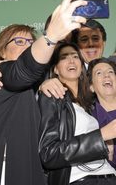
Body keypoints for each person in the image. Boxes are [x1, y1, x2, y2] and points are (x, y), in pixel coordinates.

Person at [0, 0, 88, 185]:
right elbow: (22, 70)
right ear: (2, 51)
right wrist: (51, 37)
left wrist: (41, 86)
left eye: (31, 42)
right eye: (19, 42)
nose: (27, 46)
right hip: (0, 172)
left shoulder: (38, 88)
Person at [38, 42, 116, 185]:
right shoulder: (51, 97)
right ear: (55, 68)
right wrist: (101, 136)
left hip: (109, 176)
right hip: (82, 180)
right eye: (64, 57)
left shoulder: (91, 104)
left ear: (82, 67)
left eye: (75, 56)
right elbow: (48, 153)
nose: (71, 60)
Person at [39, 19, 107, 99]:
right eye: (84, 40)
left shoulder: (113, 67)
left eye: (95, 39)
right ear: (76, 45)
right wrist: (43, 86)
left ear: (104, 43)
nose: (90, 44)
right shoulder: (66, 72)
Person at [87, 57, 116, 168]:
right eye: (99, 73)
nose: (106, 75)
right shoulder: (89, 120)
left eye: (110, 72)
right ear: (92, 87)